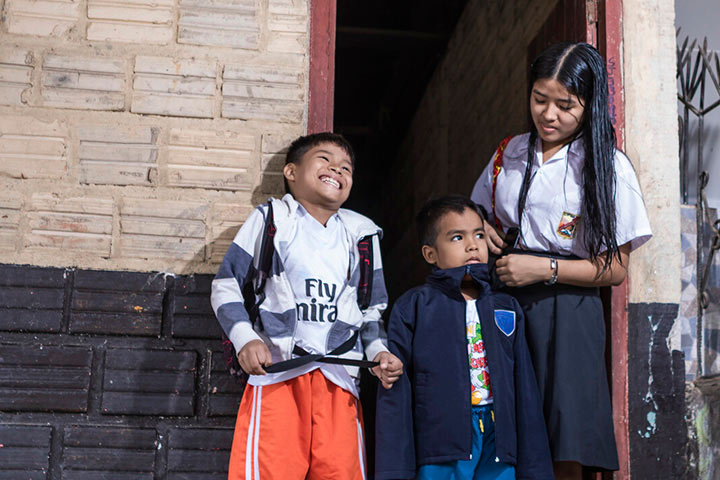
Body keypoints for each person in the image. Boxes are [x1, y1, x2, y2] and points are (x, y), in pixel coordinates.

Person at [470, 42, 652, 479]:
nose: (548, 115)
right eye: (539, 99)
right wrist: (483, 228)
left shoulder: (607, 165)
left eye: (565, 105)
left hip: (569, 309)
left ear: (590, 105)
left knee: (563, 432)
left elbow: (615, 267)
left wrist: (544, 269)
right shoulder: (508, 153)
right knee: (505, 420)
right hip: (507, 302)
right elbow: (475, 209)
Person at [211, 132, 403, 480]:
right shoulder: (272, 220)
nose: (337, 170)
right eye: (324, 160)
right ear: (291, 172)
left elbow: (370, 311)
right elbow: (225, 286)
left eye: (346, 167)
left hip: (340, 382)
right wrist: (245, 339)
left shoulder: (361, 235)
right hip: (279, 377)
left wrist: (378, 353)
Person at [375, 195, 553, 480]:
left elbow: (525, 388)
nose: (473, 245)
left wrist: (535, 468)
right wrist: (396, 468)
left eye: (479, 235)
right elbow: (396, 389)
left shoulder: (505, 307)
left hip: (499, 440)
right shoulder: (414, 307)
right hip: (441, 443)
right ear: (430, 254)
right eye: (457, 237)